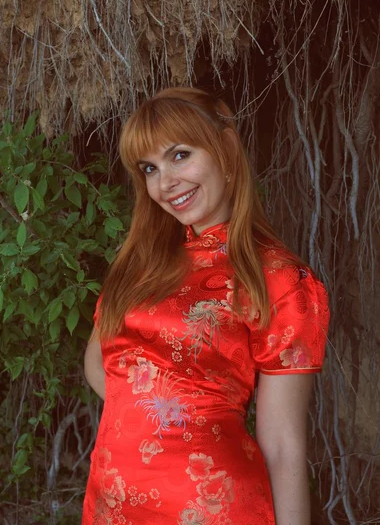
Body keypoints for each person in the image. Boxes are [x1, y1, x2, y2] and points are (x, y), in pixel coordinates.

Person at [82, 87, 329, 525]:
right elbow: (98, 365)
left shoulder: (280, 279)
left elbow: (282, 443)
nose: (164, 182)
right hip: (111, 502)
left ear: (226, 147)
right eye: (149, 168)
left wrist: (186, 422)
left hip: (212, 508)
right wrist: (158, 413)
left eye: (180, 155)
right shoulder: (144, 265)